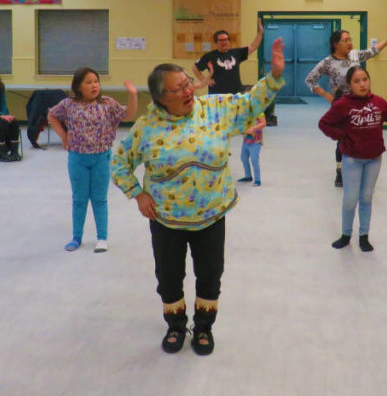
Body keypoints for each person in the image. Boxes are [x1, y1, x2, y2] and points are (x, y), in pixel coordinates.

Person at [111, 38, 286, 356]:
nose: (188, 90)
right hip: (166, 219)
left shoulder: (215, 109)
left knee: (209, 274)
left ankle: (203, 327)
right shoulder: (146, 127)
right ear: (161, 98)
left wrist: (273, 76)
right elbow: (120, 163)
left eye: (188, 83)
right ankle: (176, 326)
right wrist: (137, 194)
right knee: (168, 277)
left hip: (210, 215)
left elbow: (249, 104)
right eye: (177, 88)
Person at [318, 66, 387, 252]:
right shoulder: (343, 104)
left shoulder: (378, 102)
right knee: (350, 199)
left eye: (365, 79)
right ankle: (346, 234)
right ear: (349, 85)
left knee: (366, 198)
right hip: (351, 160)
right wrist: (342, 135)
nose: (362, 84)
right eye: (357, 81)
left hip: (373, 159)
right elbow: (324, 123)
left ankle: (364, 236)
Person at [48, 67, 137, 253]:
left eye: (96, 81)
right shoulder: (68, 104)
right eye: (88, 82)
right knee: (79, 199)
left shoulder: (107, 103)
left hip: (101, 158)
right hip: (77, 158)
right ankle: (76, 238)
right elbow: (52, 115)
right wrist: (64, 136)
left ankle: (102, 238)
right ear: (79, 86)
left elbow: (129, 115)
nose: (94, 85)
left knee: (99, 199)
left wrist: (133, 95)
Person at [306, 29, 387, 187]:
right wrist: (328, 96)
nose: (350, 43)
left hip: (361, 103)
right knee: (342, 139)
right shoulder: (328, 62)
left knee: (362, 134)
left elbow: (372, 51)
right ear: (336, 44)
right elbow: (310, 80)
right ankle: (340, 171)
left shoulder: (354, 54)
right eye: (345, 40)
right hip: (342, 105)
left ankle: (362, 166)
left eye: (350, 39)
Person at [192, 19, 264, 95]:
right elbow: (195, 68)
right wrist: (204, 80)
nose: (224, 42)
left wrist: (260, 33)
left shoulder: (236, 53)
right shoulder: (210, 56)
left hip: (236, 93)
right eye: (221, 40)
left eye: (226, 40)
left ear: (229, 41)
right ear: (216, 42)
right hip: (217, 96)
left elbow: (253, 47)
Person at [236, 114, 266, 186]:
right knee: (243, 158)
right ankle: (248, 176)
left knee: (254, 159)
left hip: (256, 141)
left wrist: (253, 128)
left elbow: (264, 123)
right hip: (246, 141)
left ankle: (257, 180)